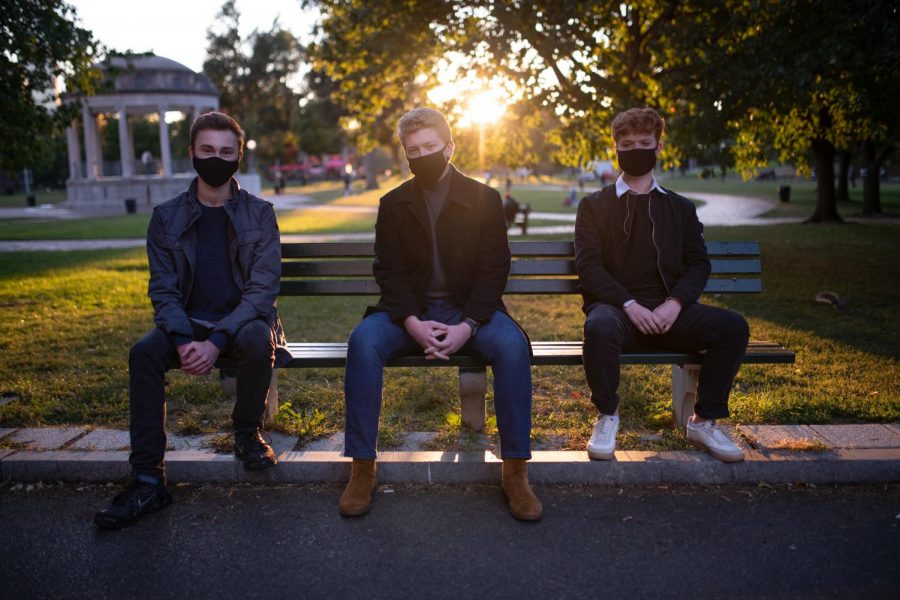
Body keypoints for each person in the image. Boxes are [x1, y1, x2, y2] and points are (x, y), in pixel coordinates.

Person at [339, 107, 542, 521]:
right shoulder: (393, 204)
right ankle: (362, 467)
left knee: (512, 346)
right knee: (362, 341)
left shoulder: (485, 199)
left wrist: (468, 326)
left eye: (430, 146)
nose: (422, 154)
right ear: (405, 156)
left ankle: (516, 471)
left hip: (470, 311)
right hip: (407, 313)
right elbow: (389, 271)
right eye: (413, 150)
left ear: (449, 147)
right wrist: (411, 322)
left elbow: (493, 269)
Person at [95, 112, 291, 529]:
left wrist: (217, 340)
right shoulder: (166, 217)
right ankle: (148, 479)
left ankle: (246, 434)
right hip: (188, 323)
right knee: (144, 352)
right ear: (192, 153)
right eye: (207, 151)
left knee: (258, 340)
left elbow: (261, 291)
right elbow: (163, 290)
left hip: (243, 322)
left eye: (225, 151)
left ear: (239, 155)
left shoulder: (260, 214)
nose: (216, 159)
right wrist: (184, 338)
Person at [574, 107, 749, 463]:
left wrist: (675, 304)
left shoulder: (679, 208)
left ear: (658, 147)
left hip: (672, 314)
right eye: (627, 143)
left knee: (732, 327)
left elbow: (699, 263)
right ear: (616, 147)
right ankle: (607, 416)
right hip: (619, 313)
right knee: (599, 326)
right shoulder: (593, 206)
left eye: (644, 142)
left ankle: (704, 421)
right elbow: (589, 268)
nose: (635, 148)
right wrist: (629, 305)